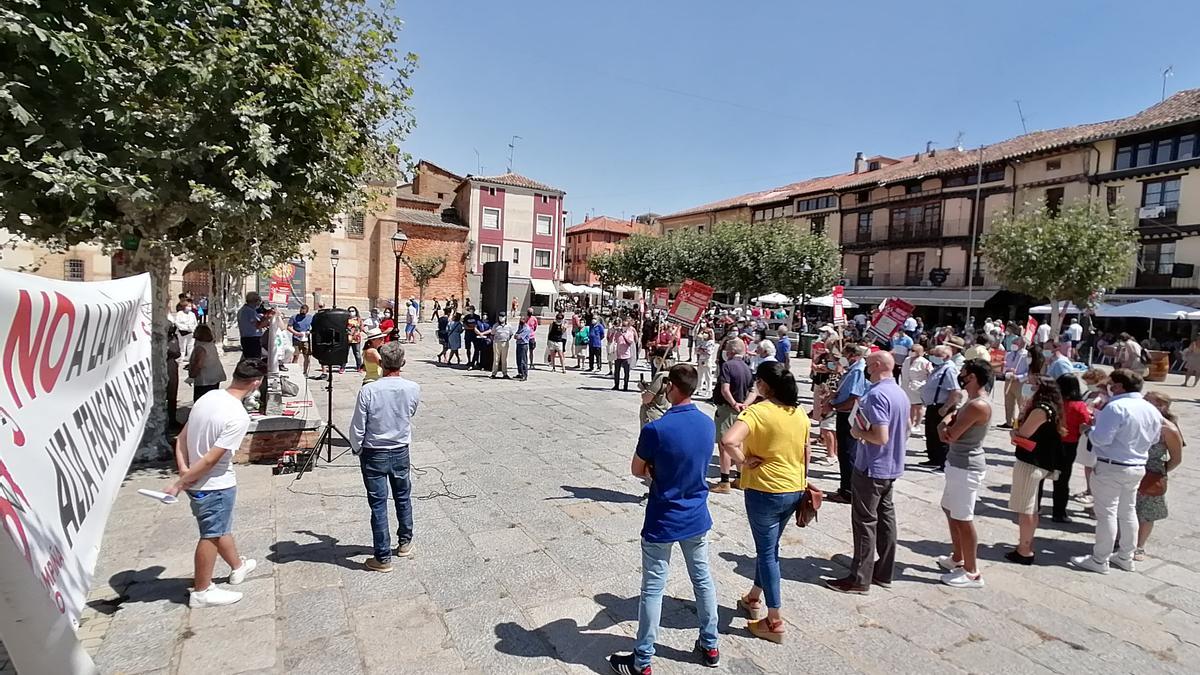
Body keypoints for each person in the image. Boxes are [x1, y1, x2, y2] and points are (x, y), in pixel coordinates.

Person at [608, 365, 719, 674]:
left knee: (653, 588)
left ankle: (642, 660)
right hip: (696, 514)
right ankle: (710, 645)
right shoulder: (707, 424)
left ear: (670, 387)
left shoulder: (656, 428)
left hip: (663, 516)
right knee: (703, 580)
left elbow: (636, 469)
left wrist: (656, 471)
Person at [718, 362, 810, 641]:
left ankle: (774, 620)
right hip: (794, 487)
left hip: (765, 489)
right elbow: (807, 453)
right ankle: (754, 597)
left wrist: (744, 461)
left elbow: (727, 440)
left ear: (765, 386)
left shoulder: (758, 412)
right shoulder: (799, 412)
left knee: (768, 552)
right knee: (769, 547)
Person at [163, 359, 266, 607]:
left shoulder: (208, 398)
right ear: (256, 383)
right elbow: (211, 459)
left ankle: (237, 566)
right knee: (211, 534)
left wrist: (184, 469)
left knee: (219, 527)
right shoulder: (238, 416)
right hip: (215, 483)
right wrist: (180, 482)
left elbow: (181, 438)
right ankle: (202, 591)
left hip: (196, 479)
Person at [826, 351, 908, 594]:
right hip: (891, 466)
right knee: (885, 520)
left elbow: (880, 436)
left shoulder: (877, 394)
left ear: (878, 365)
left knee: (864, 522)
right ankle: (884, 572)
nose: (867, 369)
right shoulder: (899, 392)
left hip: (872, 466)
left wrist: (857, 433)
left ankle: (859, 578)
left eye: (870, 365)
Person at [1071, 369, 1161, 574]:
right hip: (1136, 466)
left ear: (1119, 386)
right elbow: (1154, 439)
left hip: (1112, 465)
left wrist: (1088, 430)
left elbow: (1101, 439)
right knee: (1127, 511)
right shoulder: (1151, 409)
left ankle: (1100, 559)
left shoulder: (1116, 407)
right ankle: (1125, 556)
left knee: (1107, 513)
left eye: (1111, 384)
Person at [349, 342, 421, 572]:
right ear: (403, 363)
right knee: (403, 496)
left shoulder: (369, 390)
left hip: (374, 451)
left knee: (378, 504)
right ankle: (405, 543)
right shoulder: (413, 388)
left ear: (380, 363)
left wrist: (357, 447)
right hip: (399, 448)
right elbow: (410, 412)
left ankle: (382, 557)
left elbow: (358, 426)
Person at [934, 359, 993, 588]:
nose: (961, 376)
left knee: (963, 517)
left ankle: (972, 571)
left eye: (965, 373)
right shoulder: (970, 402)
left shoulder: (978, 405)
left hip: (966, 466)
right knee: (949, 509)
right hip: (956, 462)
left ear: (974, 377)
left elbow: (948, 435)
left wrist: (946, 420)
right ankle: (958, 557)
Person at [1005, 376, 1067, 565]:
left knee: (1027, 509)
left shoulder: (1041, 409)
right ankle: (1025, 545)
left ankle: (1024, 549)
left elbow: (1023, 433)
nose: (1028, 386)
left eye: (1032, 384)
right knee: (1031, 507)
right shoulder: (1050, 407)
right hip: (1038, 461)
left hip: (1031, 462)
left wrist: (1014, 432)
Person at [1135, 391, 1184, 561]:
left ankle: (1139, 546)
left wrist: (1159, 472)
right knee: (1127, 508)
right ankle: (1121, 540)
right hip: (1133, 468)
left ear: (1161, 406)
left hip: (1152, 472)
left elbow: (1176, 459)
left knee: (1146, 512)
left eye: (1148, 401)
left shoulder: (1169, 429)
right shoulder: (1140, 420)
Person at [710, 339, 755, 494]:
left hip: (727, 409)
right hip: (741, 409)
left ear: (729, 351)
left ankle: (724, 481)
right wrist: (745, 404)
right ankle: (741, 478)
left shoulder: (727, 366)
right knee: (738, 444)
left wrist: (734, 403)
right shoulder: (747, 367)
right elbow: (754, 390)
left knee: (725, 445)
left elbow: (725, 389)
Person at [1046, 374, 1092, 523]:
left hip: (1049, 442)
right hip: (1069, 445)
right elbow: (1085, 424)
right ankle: (1059, 513)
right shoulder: (1079, 406)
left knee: (1039, 476)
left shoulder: (1051, 402)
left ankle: (1035, 507)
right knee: (1062, 479)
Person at [828, 345, 870, 503]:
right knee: (845, 452)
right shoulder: (852, 369)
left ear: (852, 355)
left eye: (844, 354)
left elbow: (854, 397)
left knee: (847, 453)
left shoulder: (858, 370)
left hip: (848, 415)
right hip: (844, 413)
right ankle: (846, 487)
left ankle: (848, 491)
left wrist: (835, 406)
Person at [919, 345, 961, 470]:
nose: (934, 358)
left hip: (942, 406)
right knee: (930, 433)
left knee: (941, 434)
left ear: (946, 356)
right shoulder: (939, 367)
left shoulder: (949, 369)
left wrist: (946, 407)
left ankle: (944, 462)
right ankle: (934, 458)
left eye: (938, 355)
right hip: (932, 405)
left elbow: (955, 391)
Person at [186, 325, 226, 402]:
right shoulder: (210, 344)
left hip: (205, 379)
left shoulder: (201, 347)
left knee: (202, 401)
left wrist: (192, 375)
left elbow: (199, 364)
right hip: (214, 376)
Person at [900, 345, 931, 436]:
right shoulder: (907, 359)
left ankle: (917, 424)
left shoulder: (924, 362)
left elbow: (930, 373)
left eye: (913, 350)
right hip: (906, 386)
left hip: (918, 387)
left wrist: (925, 385)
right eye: (910, 350)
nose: (911, 351)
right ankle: (910, 423)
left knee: (918, 407)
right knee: (910, 406)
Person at [1001, 338, 1029, 429]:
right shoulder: (1009, 354)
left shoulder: (1026, 355)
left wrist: (1019, 377)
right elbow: (1005, 367)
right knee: (1008, 402)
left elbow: (1029, 372)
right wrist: (1007, 371)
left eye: (1016, 342)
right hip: (1009, 380)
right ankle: (1009, 422)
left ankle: (1021, 422)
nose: (1013, 344)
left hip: (1020, 382)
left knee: (1021, 403)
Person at [237, 292, 271, 358]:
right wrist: (268, 317)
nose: (260, 303)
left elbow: (258, 320)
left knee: (250, 358)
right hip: (252, 339)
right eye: (259, 301)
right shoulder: (249, 311)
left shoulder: (245, 310)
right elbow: (258, 325)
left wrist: (264, 317)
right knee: (254, 360)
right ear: (255, 301)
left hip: (246, 338)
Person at [286, 305, 315, 378]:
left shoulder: (310, 318)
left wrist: (310, 331)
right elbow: (289, 327)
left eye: (304, 312)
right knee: (296, 356)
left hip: (306, 339)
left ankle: (305, 372)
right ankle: (293, 372)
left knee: (307, 356)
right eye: (302, 311)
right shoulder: (294, 317)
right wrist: (296, 333)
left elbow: (314, 327)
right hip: (296, 339)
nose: (303, 313)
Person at [613, 319, 638, 391]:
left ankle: (625, 385)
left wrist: (624, 335)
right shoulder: (618, 333)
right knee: (616, 371)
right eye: (622, 325)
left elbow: (630, 342)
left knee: (626, 372)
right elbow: (614, 340)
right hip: (618, 354)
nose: (623, 327)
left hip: (626, 355)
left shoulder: (630, 333)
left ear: (627, 327)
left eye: (624, 326)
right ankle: (616, 385)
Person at [695, 326, 716, 397]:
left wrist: (702, 350)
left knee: (708, 376)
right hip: (701, 359)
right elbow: (697, 349)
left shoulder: (711, 342)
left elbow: (709, 351)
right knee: (700, 375)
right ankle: (698, 388)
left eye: (706, 333)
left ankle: (708, 390)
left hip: (707, 360)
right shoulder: (703, 341)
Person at [514, 315, 532, 381]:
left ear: (525, 321)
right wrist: (516, 335)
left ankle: (525, 374)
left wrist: (517, 336)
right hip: (518, 344)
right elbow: (516, 334)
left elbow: (519, 337)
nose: (520, 322)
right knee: (518, 359)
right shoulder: (520, 326)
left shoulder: (526, 328)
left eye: (522, 320)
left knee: (523, 360)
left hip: (523, 345)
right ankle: (520, 373)